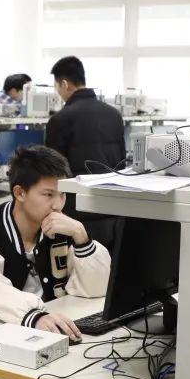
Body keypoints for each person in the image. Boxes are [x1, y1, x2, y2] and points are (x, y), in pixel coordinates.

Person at [0, 144, 110, 337]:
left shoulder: (62, 227)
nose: (58, 205)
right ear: (20, 193)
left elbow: (97, 288)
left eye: (63, 194)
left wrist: (81, 236)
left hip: (51, 327)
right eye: (48, 194)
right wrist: (35, 316)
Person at [44, 56, 125, 248]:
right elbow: (121, 161)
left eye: (57, 87)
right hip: (113, 211)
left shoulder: (60, 120)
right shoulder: (114, 115)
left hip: (76, 216)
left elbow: (51, 172)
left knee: (81, 265)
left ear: (64, 84)